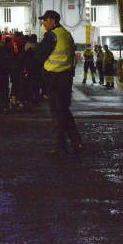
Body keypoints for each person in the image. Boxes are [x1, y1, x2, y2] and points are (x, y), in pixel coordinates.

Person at [35, 10, 84, 156]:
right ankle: (77, 142)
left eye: (45, 20)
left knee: (58, 113)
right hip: (65, 77)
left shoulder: (52, 35)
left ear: (53, 21)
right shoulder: (66, 34)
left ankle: (60, 146)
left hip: (54, 78)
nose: (43, 23)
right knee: (63, 110)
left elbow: (38, 54)